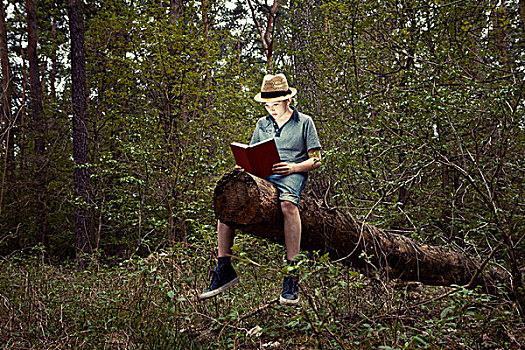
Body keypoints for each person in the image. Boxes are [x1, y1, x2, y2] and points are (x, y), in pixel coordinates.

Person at [198, 73, 322, 306]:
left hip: (291, 174)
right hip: (264, 172)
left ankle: (291, 274)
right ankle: (224, 267)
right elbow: (255, 150)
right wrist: (243, 164)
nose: (271, 109)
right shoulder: (262, 124)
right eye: (267, 105)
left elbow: (316, 160)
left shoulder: (304, 122)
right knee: (228, 199)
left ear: (288, 101)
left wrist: (294, 167)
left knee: (287, 205)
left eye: (276, 104)